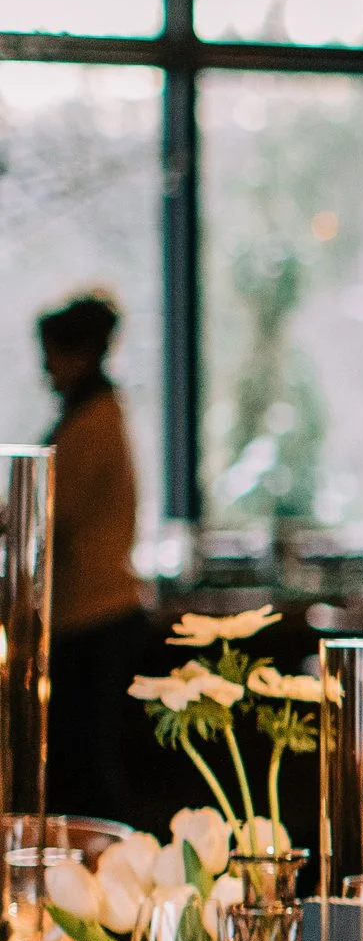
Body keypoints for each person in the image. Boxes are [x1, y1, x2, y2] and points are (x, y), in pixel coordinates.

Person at [39, 290, 150, 821]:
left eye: (51, 356)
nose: (45, 369)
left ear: (77, 353)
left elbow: (52, 513)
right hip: (94, 613)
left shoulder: (93, 422)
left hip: (93, 615)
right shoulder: (96, 414)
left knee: (87, 768)